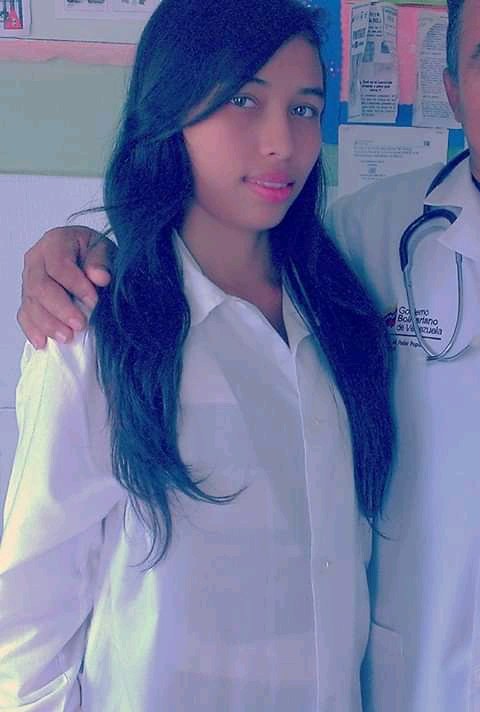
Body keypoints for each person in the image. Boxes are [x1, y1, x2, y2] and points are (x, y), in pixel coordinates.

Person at [14, 0, 480, 709]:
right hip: (416, 686)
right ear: (452, 88)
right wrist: (79, 253)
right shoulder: (361, 241)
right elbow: (30, 609)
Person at [1, 0, 395, 710]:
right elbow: (27, 620)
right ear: (171, 109)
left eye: (304, 109)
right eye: (244, 100)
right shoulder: (97, 327)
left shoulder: (341, 313)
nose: (281, 143)